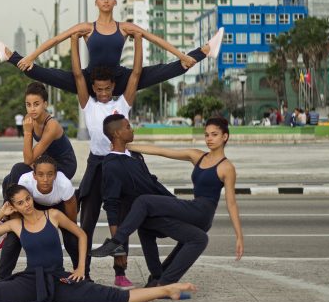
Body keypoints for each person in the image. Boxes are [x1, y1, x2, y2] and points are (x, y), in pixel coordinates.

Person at [0, 184, 196, 302]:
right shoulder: (15, 222)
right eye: (19, 203)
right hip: (29, 281)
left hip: (61, 277)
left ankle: (167, 289)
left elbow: (80, 235)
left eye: (27, 200)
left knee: (112, 297)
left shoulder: (52, 215)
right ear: (14, 205)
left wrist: (80, 267)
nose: (25, 206)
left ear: (31, 198)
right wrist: (3, 212)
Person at [0, 0, 224, 97]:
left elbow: (154, 39)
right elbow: (57, 39)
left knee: (172, 69)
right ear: (96, 2)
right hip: (89, 80)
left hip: (119, 79)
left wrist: (181, 55)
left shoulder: (125, 27)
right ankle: (7, 54)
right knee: (36, 71)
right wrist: (31, 56)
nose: (106, 1)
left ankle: (206, 50)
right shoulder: (87, 28)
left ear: (115, 2)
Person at [92, 117, 244, 287]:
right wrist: (126, 147)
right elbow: (161, 151)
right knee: (148, 227)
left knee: (143, 202)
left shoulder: (226, 167)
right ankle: (158, 279)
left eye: (214, 134)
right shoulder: (197, 156)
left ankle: (116, 242)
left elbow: (231, 203)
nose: (209, 138)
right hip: (193, 208)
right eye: (207, 135)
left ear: (225, 137)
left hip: (202, 211)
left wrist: (239, 236)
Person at [70, 31, 142, 287]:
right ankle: (83, 271)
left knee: (121, 222)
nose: (102, 93)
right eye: (98, 89)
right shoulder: (88, 105)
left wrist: (139, 41)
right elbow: (78, 74)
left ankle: (120, 274)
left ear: (113, 87)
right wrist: (74, 40)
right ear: (93, 88)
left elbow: (135, 74)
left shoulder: (122, 105)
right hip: (96, 165)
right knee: (86, 222)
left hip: (119, 166)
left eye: (107, 89)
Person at [0, 154, 78, 281]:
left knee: (72, 239)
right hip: (34, 205)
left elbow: (72, 217)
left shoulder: (64, 184)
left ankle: (83, 275)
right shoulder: (25, 181)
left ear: (56, 175)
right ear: (34, 175)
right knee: (12, 239)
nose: (45, 179)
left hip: (58, 206)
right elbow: (19, 205)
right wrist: (13, 225)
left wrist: (68, 229)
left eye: (50, 175)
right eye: (40, 175)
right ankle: (1, 279)